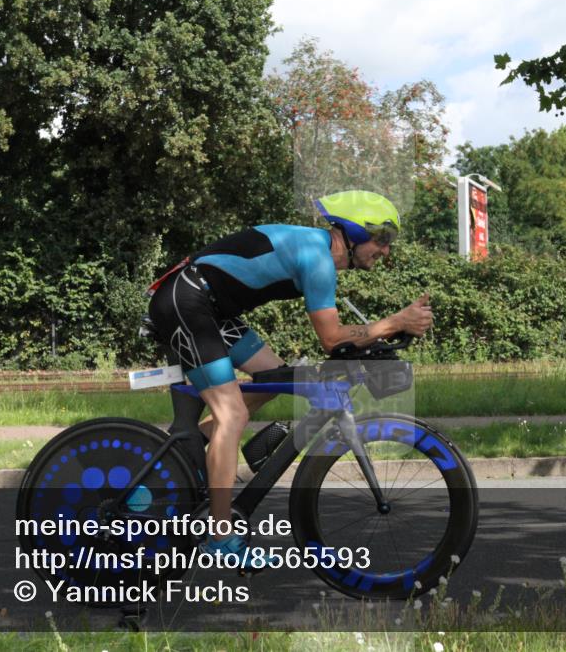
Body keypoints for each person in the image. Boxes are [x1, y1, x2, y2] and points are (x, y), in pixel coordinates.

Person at [145, 190, 433, 565]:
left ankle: (194, 448)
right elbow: (332, 338)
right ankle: (220, 538)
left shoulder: (320, 256)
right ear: (355, 231)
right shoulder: (318, 258)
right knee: (233, 414)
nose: (386, 250)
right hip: (187, 301)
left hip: (211, 309)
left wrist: (386, 332)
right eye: (382, 239)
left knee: (272, 377)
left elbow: (339, 340)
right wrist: (395, 322)